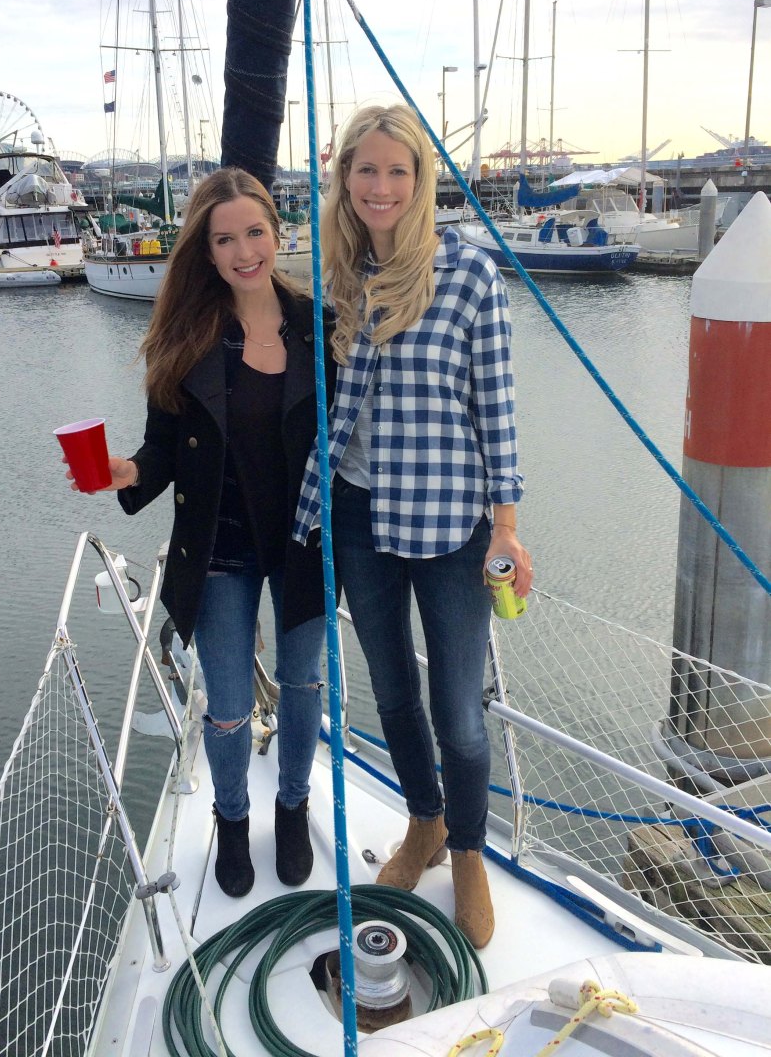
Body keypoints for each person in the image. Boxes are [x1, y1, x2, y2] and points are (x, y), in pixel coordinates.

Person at [294, 104, 533, 948]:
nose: (381, 186)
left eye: (398, 171)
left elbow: (496, 409)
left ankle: (467, 852)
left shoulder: (468, 275)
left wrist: (506, 527)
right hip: (358, 511)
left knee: (457, 710)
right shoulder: (339, 274)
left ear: (422, 179)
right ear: (344, 179)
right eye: (365, 169)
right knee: (391, 690)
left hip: (449, 521)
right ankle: (424, 823)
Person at [64, 167, 334, 899]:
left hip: (305, 541)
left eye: (255, 232)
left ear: (276, 232)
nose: (245, 251)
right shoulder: (186, 338)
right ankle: (232, 818)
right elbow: (162, 448)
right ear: (205, 251)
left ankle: (292, 806)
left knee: (304, 683)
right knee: (227, 707)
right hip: (219, 545)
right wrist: (127, 471)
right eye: (224, 239)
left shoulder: (321, 327)